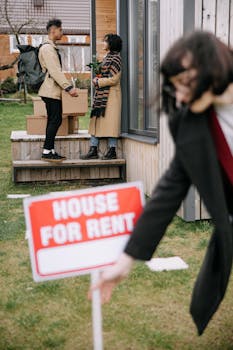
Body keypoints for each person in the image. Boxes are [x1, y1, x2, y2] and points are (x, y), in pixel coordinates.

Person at [89, 31, 233, 335]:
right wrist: (126, 260)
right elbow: (169, 190)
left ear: (212, 68)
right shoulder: (190, 121)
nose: (179, 97)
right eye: (175, 87)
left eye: (185, 85)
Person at [39, 18, 79, 162]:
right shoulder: (47, 48)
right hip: (50, 91)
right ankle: (47, 151)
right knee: (55, 120)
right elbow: (55, 71)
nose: (62, 32)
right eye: (61, 30)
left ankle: (50, 150)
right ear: (53, 30)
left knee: (53, 120)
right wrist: (68, 87)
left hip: (51, 90)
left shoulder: (50, 47)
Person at [81, 33, 122, 160]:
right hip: (102, 95)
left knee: (111, 123)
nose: (103, 44)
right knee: (96, 120)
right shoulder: (107, 57)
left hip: (112, 95)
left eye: (105, 41)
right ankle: (93, 149)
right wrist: (98, 78)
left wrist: (98, 81)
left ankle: (112, 151)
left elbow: (114, 79)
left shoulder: (116, 59)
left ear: (111, 44)